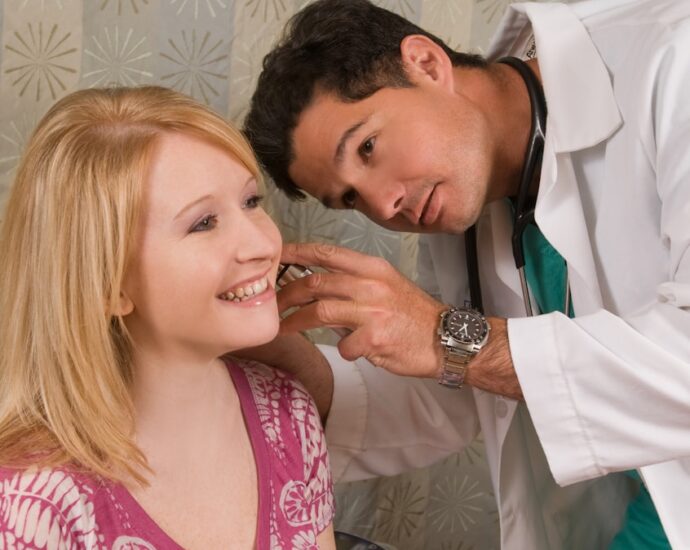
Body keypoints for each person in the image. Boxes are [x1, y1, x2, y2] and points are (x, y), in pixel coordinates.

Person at [244, 0, 690, 548]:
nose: (385, 205)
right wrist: (294, 372)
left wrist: (445, 336)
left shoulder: (675, 65)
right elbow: (458, 391)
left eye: (368, 147)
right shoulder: (463, 197)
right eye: (350, 199)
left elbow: (466, 351)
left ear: (427, 64)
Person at [0, 86, 335, 549]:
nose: (262, 245)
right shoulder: (32, 500)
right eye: (203, 223)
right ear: (109, 284)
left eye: (251, 202)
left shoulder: (290, 414)